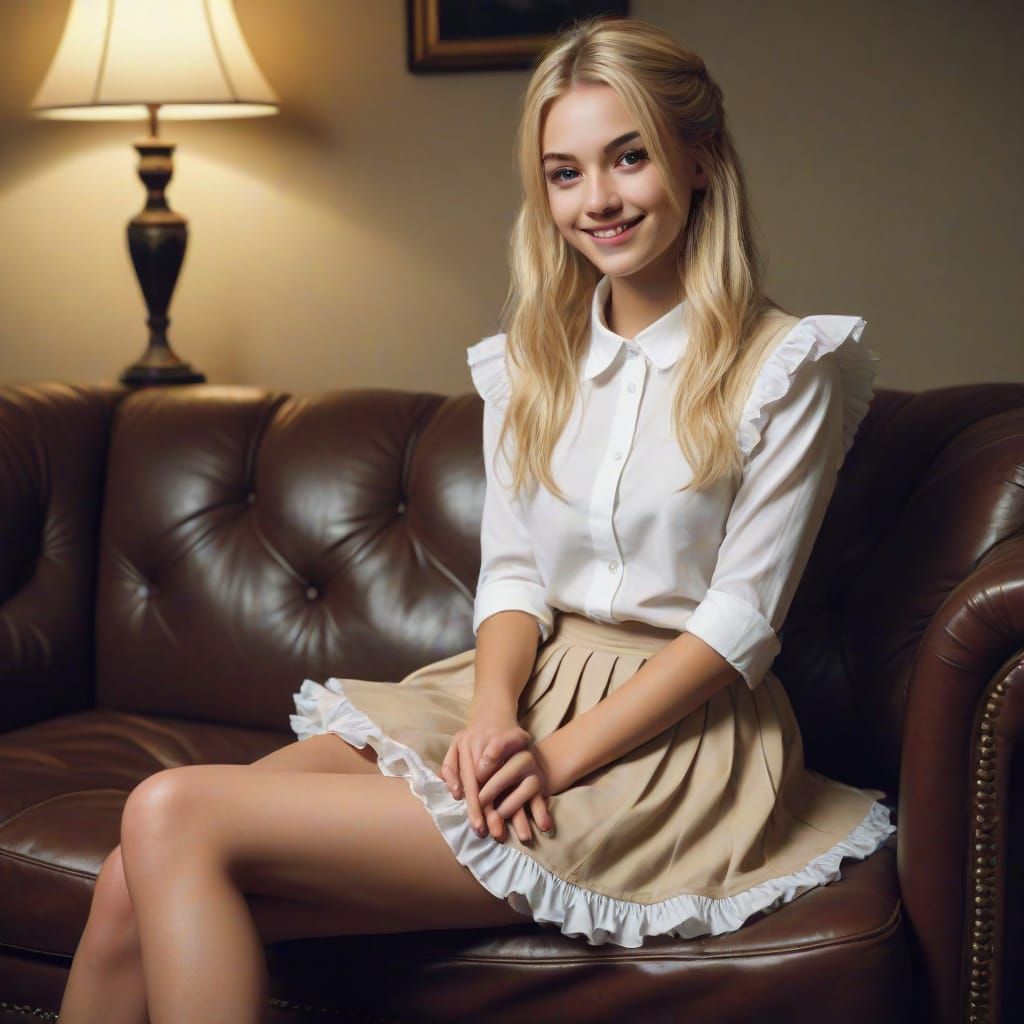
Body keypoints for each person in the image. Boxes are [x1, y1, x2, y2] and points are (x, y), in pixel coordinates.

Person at [58, 15, 897, 1021]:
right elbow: (512, 578)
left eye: (629, 157)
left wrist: (555, 758)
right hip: (510, 690)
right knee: (130, 875)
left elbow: (737, 626)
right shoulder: (530, 361)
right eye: (565, 173)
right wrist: (496, 717)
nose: (598, 199)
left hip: (668, 739)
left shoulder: (788, 367)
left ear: (701, 158)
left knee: (168, 810)